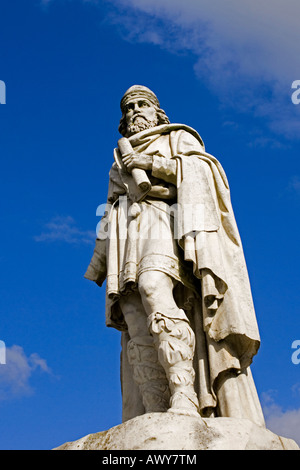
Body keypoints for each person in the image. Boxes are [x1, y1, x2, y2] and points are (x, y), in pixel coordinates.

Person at [85, 85, 265, 426]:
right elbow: (111, 205)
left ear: (157, 112)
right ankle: (155, 409)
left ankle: (185, 395)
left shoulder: (176, 138)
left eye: (142, 105)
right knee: (133, 311)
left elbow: (203, 173)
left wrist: (148, 163)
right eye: (129, 108)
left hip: (163, 225)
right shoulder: (119, 156)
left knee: (155, 288)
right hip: (126, 231)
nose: (135, 111)